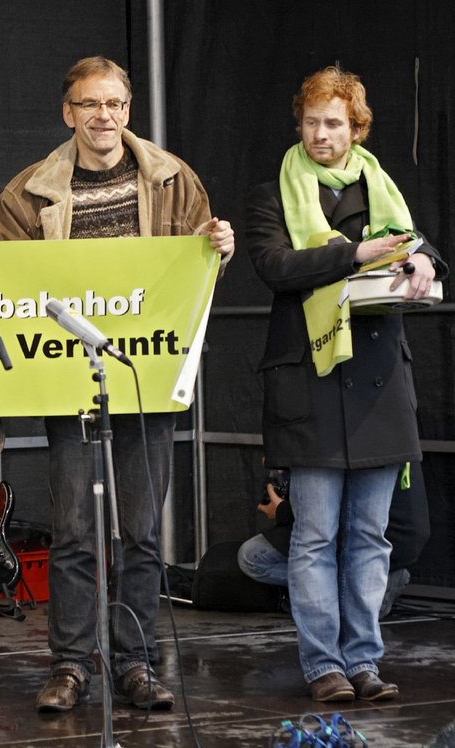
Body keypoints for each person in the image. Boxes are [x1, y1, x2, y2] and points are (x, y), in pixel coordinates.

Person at [0, 56, 235, 713]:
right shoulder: (26, 193)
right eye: (89, 105)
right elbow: (18, 293)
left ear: (128, 110)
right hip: (66, 376)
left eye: (115, 105)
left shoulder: (174, 178)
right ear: (67, 112)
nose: (104, 117)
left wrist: (218, 247)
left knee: (139, 532)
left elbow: (197, 278)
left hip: (144, 378)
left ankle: (135, 664)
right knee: (73, 530)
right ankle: (71, 665)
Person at [246, 65, 446, 703]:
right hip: (310, 381)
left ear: (356, 128)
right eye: (311, 122)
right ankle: (323, 666)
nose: (320, 134)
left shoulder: (382, 188)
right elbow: (276, 265)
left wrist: (418, 258)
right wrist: (354, 255)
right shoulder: (272, 191)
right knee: (313, 536)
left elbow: (426, 249)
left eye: (333, 123)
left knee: (369, 534)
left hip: (380, 385)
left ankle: (364, 662)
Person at [238, 466, 430, 619]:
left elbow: (326, 504)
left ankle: (355, 593)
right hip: (396, 542)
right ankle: (369, 588)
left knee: (252, 557)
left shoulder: (344, 442)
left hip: (362, 538)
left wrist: (281, 510)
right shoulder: (393, 440)